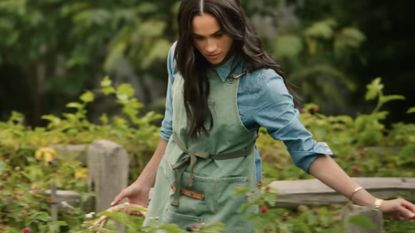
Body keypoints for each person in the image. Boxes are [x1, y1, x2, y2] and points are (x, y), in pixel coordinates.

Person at [111, 0, 415, 232]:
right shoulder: (179, 56)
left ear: (235, 28)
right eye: (199, 38)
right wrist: (144, 184)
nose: (211, 47)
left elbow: (305, 151)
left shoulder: (260, 83)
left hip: (226, 196)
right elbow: (171, 129)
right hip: (172, 186)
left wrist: (372, 202)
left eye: (218, 35)